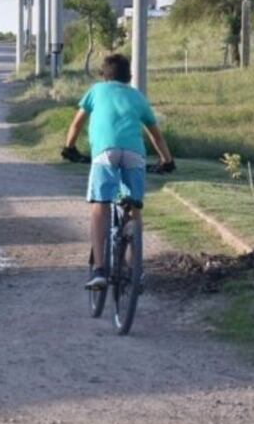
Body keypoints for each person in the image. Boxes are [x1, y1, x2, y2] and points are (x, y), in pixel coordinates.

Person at [61, 54, 175, 289]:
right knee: (134, 208)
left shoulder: (96, 91)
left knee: (100, 206)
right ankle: (135, 271)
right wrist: (166, 160)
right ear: (129, 77)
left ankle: (100, 270)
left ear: (104, 76)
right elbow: (156, 135)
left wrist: (69, 148)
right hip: (135, 154)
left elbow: (76, 124)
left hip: (105, 152)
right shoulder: (138, 97)